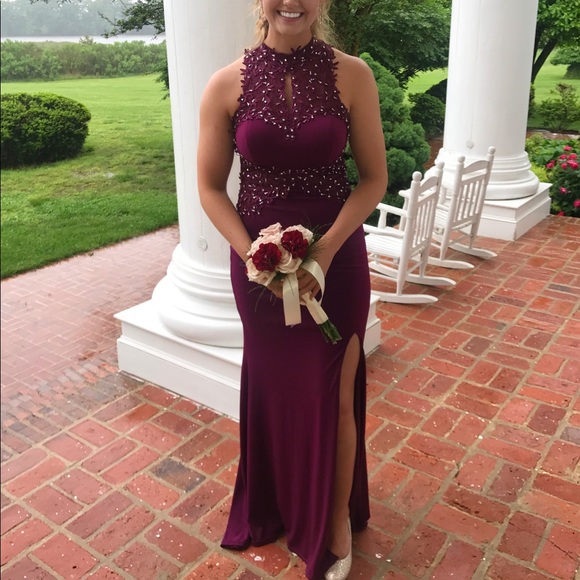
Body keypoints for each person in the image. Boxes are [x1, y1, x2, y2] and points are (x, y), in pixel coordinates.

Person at [197, 1, 388, 578]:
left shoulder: (354, 75)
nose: (292, 1)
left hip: (337, 261)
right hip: (258, 269)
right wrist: (253, 255)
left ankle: (334, 522)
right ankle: (278, 503)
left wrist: (323, 253)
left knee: (335, 392)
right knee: (276, 388)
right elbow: (210, 188)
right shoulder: (224, 84)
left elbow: (373, 179)